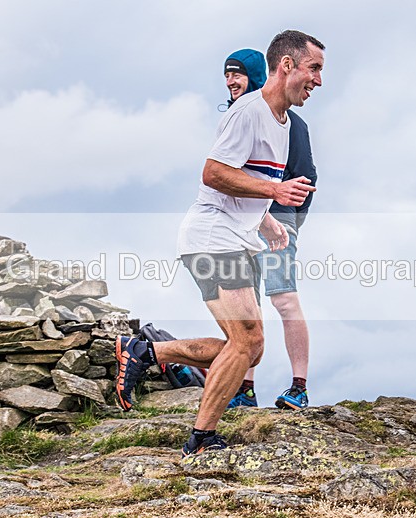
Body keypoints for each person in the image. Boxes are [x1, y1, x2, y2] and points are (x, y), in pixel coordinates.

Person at [114, 30, 325, 457]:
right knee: (246, 340)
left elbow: (247, 179)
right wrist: (274, 195)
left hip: (238, 237)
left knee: (250, 349)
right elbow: (212, 173)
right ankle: (202, 438)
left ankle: (148, 352)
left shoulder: (283, 124)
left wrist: (266, 221)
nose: (318, 80)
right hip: (212, 236)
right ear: (286, 65)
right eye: (314, 68)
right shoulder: (248, 112)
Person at [219, 49, 319, 411]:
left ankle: (299, 387)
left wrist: (288, 223)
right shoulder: (239, 115)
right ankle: (244, 389)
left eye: (238, 75)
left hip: (278, 218)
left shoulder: (289, 121)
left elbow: (306, 176)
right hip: (238, 223)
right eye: (227, 75)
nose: (231, 81)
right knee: (248, 305)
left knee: (284, 297)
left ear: (257, 76)